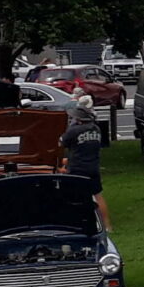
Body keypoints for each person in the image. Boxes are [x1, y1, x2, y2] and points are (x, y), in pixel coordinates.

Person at [64, 94, 109, 231]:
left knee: (73, 197)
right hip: (93, 167)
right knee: (98, 195)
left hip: (77, 168)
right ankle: (107, 225)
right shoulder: (96, 129)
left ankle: (76, 224)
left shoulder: (73, 130)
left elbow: (62, 142)